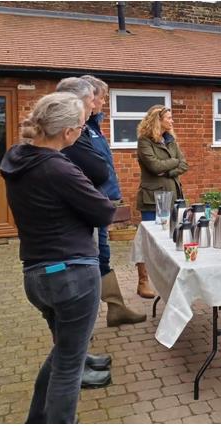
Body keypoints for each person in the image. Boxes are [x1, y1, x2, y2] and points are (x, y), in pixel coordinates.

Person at [1, 92, 116, 423]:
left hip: (36, 275)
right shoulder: (57, 168)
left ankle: (36, 419)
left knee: (63, 354)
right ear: (67, 132)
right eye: (81, 125)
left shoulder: (17, 158)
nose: (83, 130)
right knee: (69, 366)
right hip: (72, 275)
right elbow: (103, 211)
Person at [54, 77, 114, 389]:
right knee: (74, 303)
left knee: (80, 301)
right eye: (92, 100)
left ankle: (80, 355)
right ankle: (74, 366)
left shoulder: (83, 131)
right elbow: (100, 168)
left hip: (79, 227)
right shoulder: (67, 141)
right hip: (67, 242)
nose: (96, 105)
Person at [79, 75, 146, 327]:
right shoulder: (79, 129)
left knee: (103, 256)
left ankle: (115, 309)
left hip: (101, 201)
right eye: (103, 97)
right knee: (93, 258)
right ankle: (83, 322)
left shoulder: (93, 126)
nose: (105, 102)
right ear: (89, 98)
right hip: (91, 204)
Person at [135, 105, 189, 298]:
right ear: (158, 120)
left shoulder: (171, 140)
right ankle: (143, 282)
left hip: (174, 195)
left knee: (172, 238)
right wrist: (173, 163)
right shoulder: (144, 141)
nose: (172, 121)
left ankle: (169, 279)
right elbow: (153, 166)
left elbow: (184, 164)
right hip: (152, 199)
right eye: (168, 117)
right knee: (148, 241)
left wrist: (167, 169)